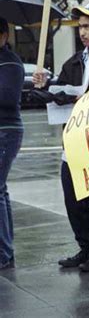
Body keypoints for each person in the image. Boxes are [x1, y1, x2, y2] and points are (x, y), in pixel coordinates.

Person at [33, 2, 89, 272]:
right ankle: (86, 247)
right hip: (73, 141)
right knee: (73, 197)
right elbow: (57, 90)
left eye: (87, 26)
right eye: (80, 27)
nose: (82, 32)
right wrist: (45, 84)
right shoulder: (73, 61)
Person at [0, 17, 25, 269]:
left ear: (4, 36)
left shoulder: (10, 62)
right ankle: (5, 251)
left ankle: (4, 254)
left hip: (6, 131)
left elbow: (6, 98)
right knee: (1, 190)